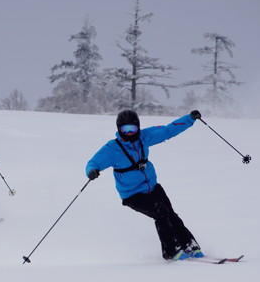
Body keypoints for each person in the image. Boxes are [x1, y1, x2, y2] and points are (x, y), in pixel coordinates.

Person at [85, 110, 204, 261]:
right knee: (160, 211)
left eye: (132, 129)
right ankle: (171, 251)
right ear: (118, 129)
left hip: (152, 187)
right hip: (132, 194)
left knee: (171, 214)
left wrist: (189, 119)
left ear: (138, 128)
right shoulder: (112, 149)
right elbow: (93, 163)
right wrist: (92, 171)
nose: (129, 133)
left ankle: (190, 245)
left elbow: (168, 130)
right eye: (124, 130)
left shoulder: (145, 137)